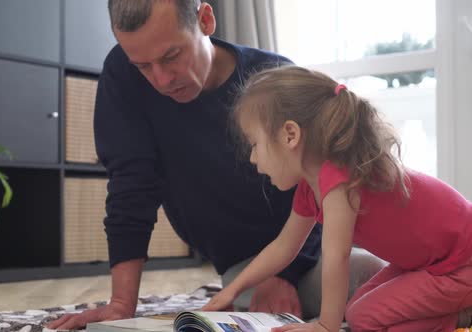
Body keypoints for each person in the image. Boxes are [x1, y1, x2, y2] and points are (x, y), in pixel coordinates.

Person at [48, 1, 385, 330]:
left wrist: (285, 273)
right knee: (263, 303)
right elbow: (130, 186)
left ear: (206, 20)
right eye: (144, 66)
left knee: (374, 277)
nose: (161, 80)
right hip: (244, 262)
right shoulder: (123, 74)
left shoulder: (276, 81)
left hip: (315, 241)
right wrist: (122, 305)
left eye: (171, 56)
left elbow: (319, 186)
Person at [201, 65, 472, 332]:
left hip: (461, 263)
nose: (252, 158)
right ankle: (455, 314)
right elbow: (284, 247)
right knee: (357, 310)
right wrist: (232, 291)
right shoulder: (311, 187)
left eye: (254, 144)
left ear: (290, 135)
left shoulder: (339, 179)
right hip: (434, 263)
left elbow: (337, 257)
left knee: (364, 318)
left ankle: (460, 316)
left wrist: (325, 326)